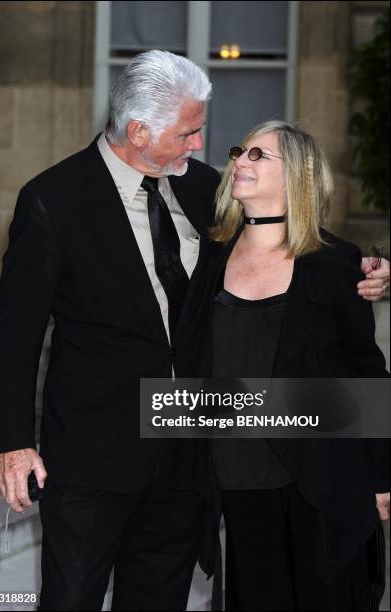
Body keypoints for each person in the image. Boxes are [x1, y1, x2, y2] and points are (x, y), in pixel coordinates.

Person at [0, 49, 388, 611]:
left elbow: (288, 233)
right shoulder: (54, 200)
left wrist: (364, 269)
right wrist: (13, 445)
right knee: (70, 599)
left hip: (188, 450)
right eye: (188, 132)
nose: (200, 145)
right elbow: (15, 335)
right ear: (138, 131)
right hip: (94, 454)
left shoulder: (205, 191)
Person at [196, 120, 390, 611]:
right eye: (241, 151)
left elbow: (365, 373)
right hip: (237, 478)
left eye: (259, 156)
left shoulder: (334, 263)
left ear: (297, 176)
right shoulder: (210, 256)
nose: (240, 161)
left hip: (319, 478)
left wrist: (383, 474)